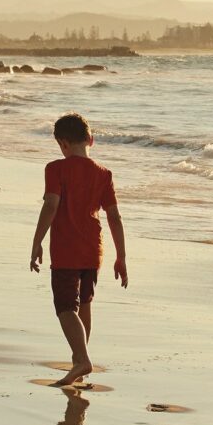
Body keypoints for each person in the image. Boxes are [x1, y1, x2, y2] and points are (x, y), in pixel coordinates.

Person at [27, 113, 128, 386]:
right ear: (91, 140)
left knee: (64, 306)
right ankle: (78, 362)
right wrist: (121, 256)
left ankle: (82, 360)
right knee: (84, 303)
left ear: (62, 143)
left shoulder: (56, 169)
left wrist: (37, 242)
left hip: (66, 250)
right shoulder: (104, 174)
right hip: (93, 251)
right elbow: (114, 217)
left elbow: (51, 205)